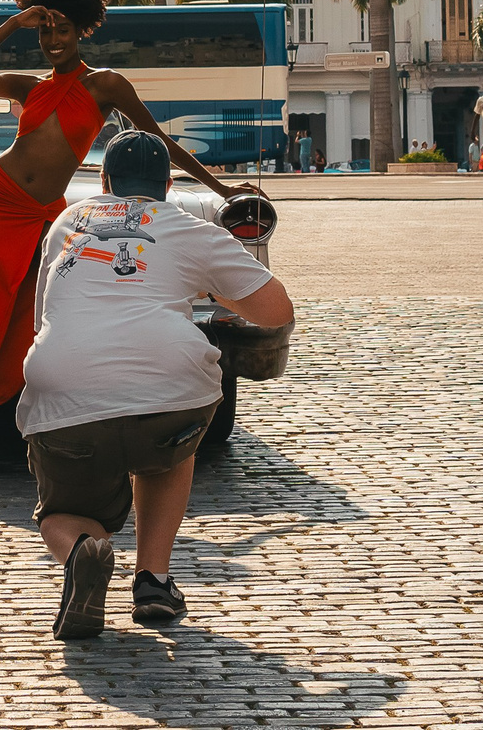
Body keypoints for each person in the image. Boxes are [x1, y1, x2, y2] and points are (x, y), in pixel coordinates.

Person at [0, 0, 254, 489]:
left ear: (83, 29)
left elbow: (158, 141)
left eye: (62, 29)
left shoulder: (106, 85)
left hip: (45, 213)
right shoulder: (28, 86)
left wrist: (220, 190)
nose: (52, 40)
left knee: (45, 314)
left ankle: (48, 426)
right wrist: (15, 23)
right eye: (44, 30)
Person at [19, 131, 294, 639]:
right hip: (171, 387)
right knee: (170, 444)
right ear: (167, 185)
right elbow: (276, 312)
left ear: (103, 182)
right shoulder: (190, 228)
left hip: (65, 382)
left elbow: (45, 317)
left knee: (62, 512)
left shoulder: (67, 222)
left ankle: (85, 550)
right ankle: (153, 580)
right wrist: (209, 288)